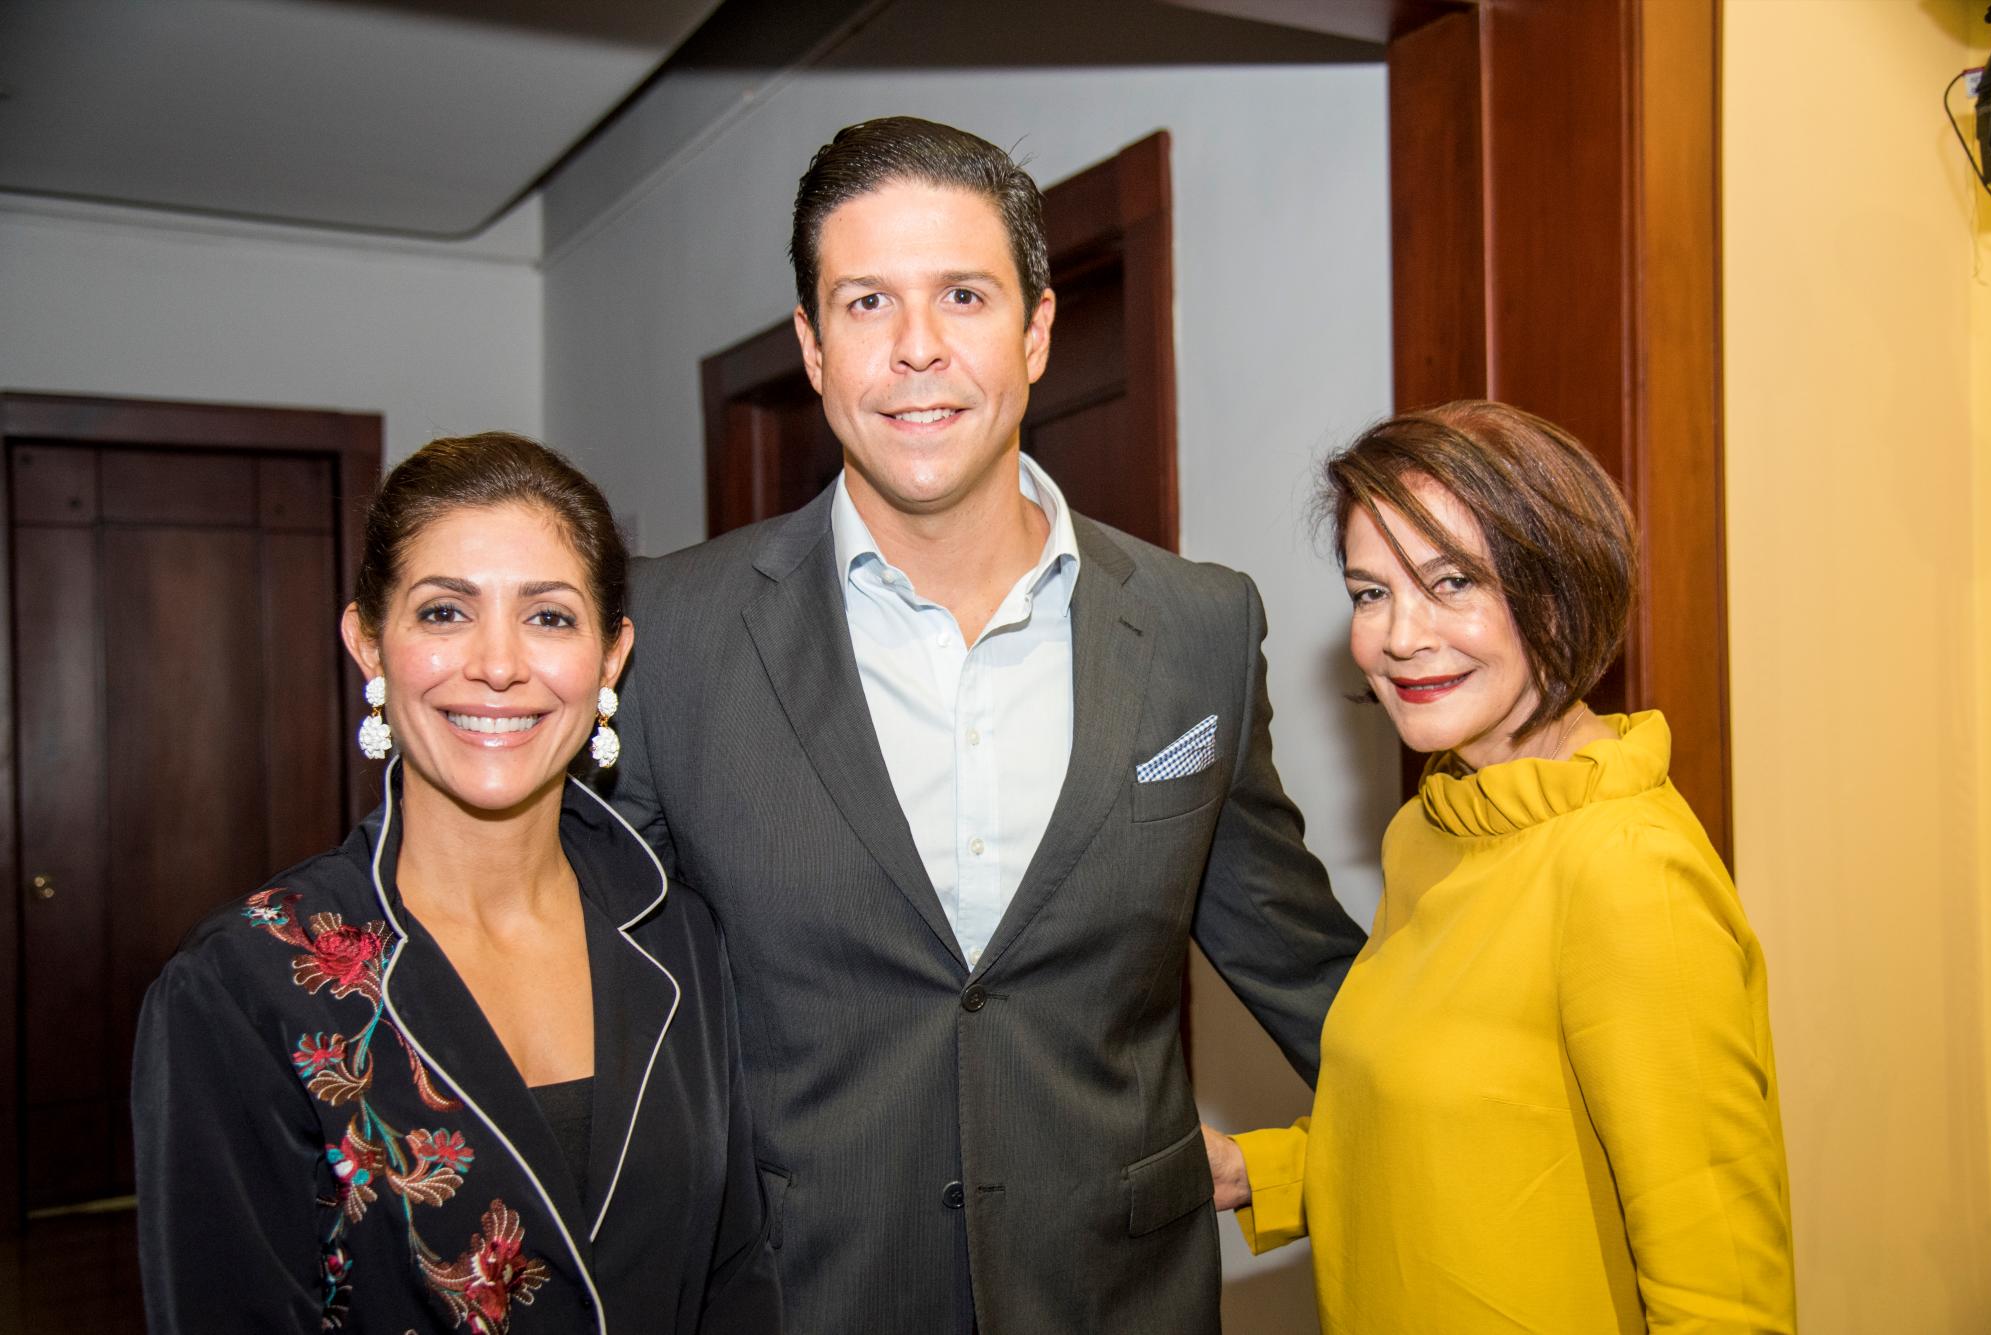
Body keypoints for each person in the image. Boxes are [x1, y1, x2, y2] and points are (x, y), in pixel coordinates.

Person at [607, 116, 1366, 1334]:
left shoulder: (1195, 629)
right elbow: (595, 997)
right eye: (864, 304)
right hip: (797, 1299)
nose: (916, 351)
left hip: (1120, 1302)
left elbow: (1317, 979)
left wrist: (1500, 1120)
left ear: (1037, 332)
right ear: (809, 347)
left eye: (962, 295)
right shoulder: (668, 631)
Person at [133, 433, 779, 1334]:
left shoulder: (677, 934)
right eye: (444, 613)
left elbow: (736, 1278)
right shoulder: (242, 986)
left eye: (549, 616)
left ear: (611, 657)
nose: (499, 663)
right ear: (368, 641)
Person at [1207, 400, 1795, 1333]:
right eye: (1370, 592)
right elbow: (1466, 1147)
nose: (1399, 635)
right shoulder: (1431, 829)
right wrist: (1255, 1172)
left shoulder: (1625, 870)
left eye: (1451, 582)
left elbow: (1723, 1293)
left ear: (1559, 591)